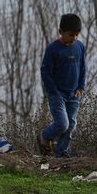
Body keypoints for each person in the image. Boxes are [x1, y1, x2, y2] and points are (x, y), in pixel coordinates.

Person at [37, 13, 86, 158]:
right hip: (57, 94)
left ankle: (60, 153)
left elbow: (83, 68)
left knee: (71, 126)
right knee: (62, 124)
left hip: (74, 94)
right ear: (61, 32)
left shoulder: (80, 47)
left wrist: (81, 87)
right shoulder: (53, 49)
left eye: (77, 34)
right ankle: (44, 136)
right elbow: (45, 72)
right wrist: (53, 91)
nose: (74, 38)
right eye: (71, 34)